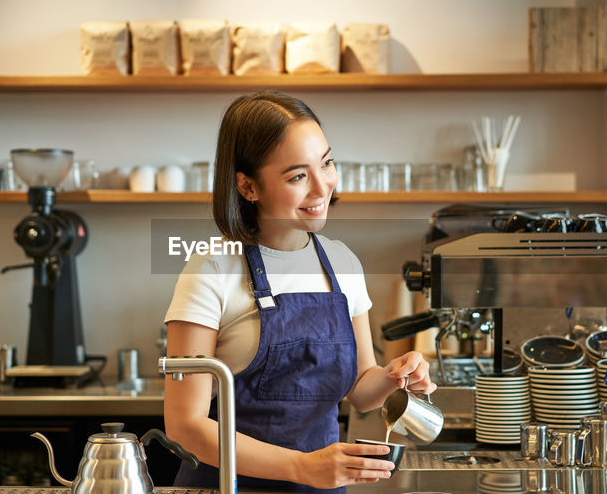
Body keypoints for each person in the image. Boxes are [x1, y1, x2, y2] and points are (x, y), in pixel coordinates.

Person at [161, 91, 436, 492]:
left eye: (326, 163)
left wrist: (396, 376)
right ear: (248, 186)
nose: (321, 187)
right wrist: (303, 467)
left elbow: (361, 389)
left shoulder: (343, 263)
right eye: (297, 176)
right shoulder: (211, 268)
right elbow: (187, 426)